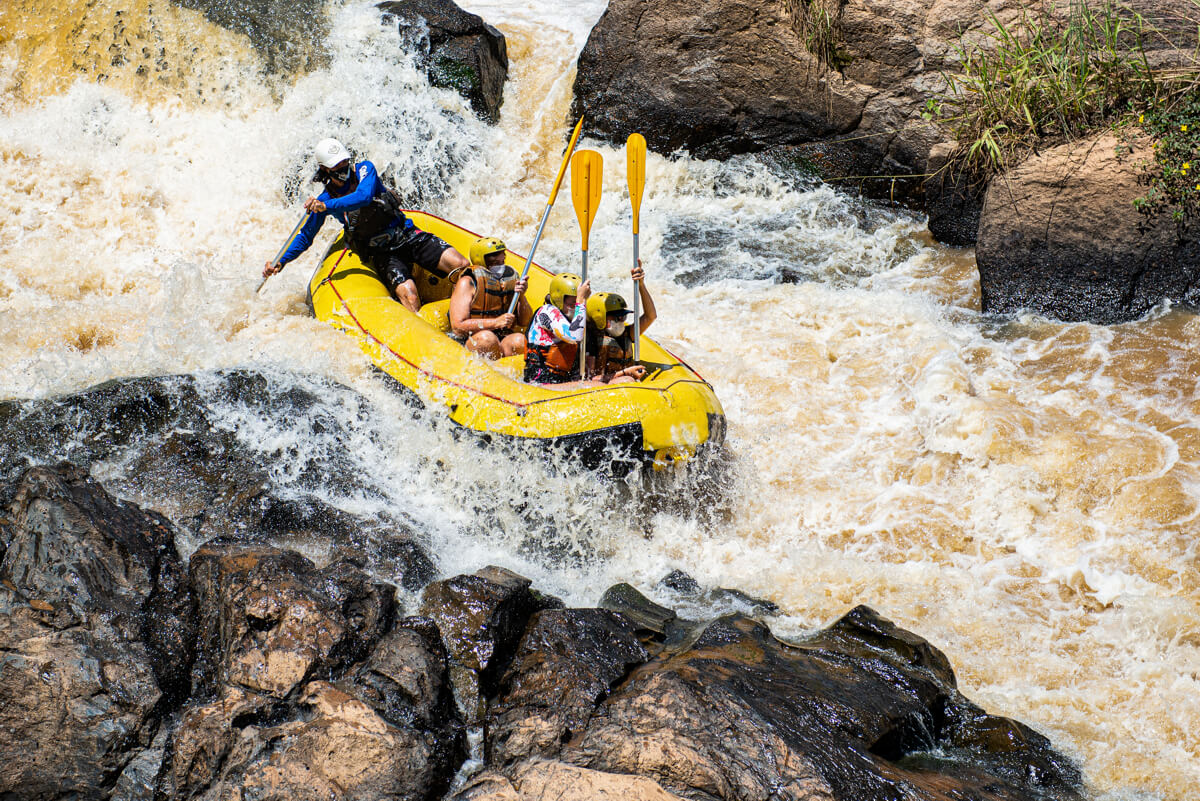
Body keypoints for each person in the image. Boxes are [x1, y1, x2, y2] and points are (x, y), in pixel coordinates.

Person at [262, 138, 471, 312]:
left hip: (407, 235)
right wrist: (282, 260)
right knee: (409, 295)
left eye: (344, 162)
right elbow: (306, 236)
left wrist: (325, 205)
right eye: (336, 166)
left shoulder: (364, 170)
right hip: (383, 253)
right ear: (325, 169)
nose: (343, 168)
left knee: (460, 264)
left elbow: (363, 197)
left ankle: (472, 311)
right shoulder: (325, 198)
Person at [448, 237, 532, 359]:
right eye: (494, 256)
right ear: (481, 259)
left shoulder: (510, 280)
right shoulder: (468, 282)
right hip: (472, 339)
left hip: (500, 337)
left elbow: (524, 321)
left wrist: (521, 296)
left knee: (519, 340)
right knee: (487, 339)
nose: (500, 258)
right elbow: (458, 326)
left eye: (502, 254)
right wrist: (495, 322)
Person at [585, 261, 657, 383]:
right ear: (600, 318)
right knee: (627, 380)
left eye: (623, 316)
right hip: (605, 386)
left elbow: (651, 316)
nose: (622, 321)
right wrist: (625, 373)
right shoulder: (590, 339)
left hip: (624, 380)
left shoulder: (627, 333)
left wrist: (641, 285)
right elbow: (590, 380)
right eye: (618, 317)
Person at [524, 272, 595, 387]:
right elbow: (574, 336)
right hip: (540, 383)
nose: (576, 308)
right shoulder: (546, 311)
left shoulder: (574, 318)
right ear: (559, 300)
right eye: (573, 304)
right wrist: (580, 300)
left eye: (577, 304)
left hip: (562, 382)